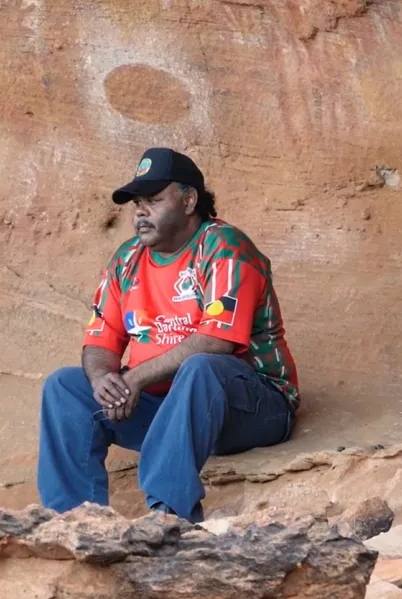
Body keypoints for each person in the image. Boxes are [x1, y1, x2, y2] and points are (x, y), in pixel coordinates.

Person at [36, 147, 300, 523]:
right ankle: (75, 523)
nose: (141, 211)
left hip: (253, 408)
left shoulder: (224, 247)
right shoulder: (127, 259)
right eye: (137, 203)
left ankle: (170, 518)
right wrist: (103, 380)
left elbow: (216, 341)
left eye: (154, 200)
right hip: (171, 412)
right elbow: (99, 342)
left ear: (189, 200)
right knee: (66, 387)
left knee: (201, 367)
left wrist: (134, 378)